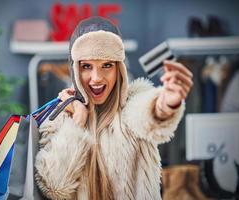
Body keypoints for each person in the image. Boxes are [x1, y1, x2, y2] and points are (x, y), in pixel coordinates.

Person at [34, 16, 193, 200]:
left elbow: (151, 113)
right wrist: (78, 119)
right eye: (87, 66)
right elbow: (54, 188)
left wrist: (167, 103)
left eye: (106, 65)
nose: (96, 78)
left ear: (119, 69)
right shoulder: (60, 117)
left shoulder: (132, 103)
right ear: (75, 69)